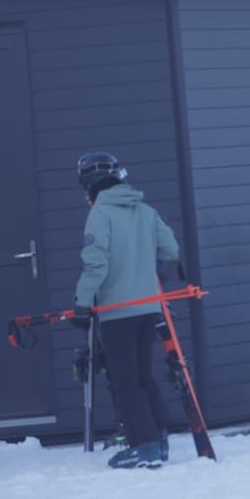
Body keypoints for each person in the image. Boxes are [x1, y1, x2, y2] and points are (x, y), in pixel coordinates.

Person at [72, 152, 181, 468]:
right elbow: (171, 249)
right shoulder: (145, 210)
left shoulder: (101, 214)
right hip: (148, 307)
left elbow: (95, 264)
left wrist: (82, 303)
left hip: (117, 312)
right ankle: (159, 438)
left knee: (125, 381)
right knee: (144, 376)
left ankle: (144, 447)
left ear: (90, 185)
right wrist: (155, 274)